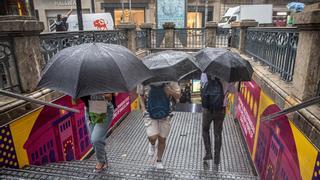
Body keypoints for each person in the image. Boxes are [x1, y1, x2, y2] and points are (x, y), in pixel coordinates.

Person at [140, 82, 180, 169]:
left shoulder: (170, 79)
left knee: (162, 139)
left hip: (166, 114)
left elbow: (178, 96)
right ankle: (152, 144)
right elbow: (140, 94)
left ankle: (159, 160)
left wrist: (170, 91)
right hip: (149, 113)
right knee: (153, 137)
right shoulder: (144, 76)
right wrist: (143, 109)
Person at [201, 74, 237, 164]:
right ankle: (217, 157)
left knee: (205, 130)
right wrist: (232, 84)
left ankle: (208, 153)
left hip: (207, 109)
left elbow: (202, 86)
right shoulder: (226, 77)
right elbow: (234, 91)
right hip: (220, 109)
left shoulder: (205, 74)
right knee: (217, 133)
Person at [81, 93, 116, 172]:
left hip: (103, 107)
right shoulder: (81, 83)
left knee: (96, 139)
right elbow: (75, 101)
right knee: (94, 140)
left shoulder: (101, 81)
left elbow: (110, 96)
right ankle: (105, 162)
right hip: (89, 110)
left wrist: (96, 96)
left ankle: (101, 161)